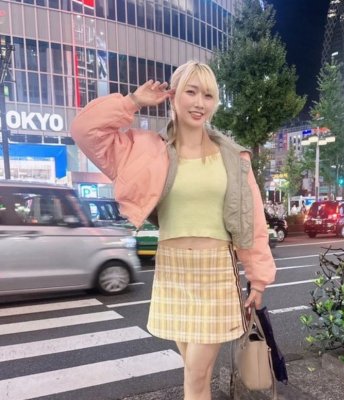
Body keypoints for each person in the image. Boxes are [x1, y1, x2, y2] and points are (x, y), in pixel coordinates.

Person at [71, 60, 276, 400]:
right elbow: (84, 130)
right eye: (191, 92)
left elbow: (252, 220)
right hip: (172, 269)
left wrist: (258, 278)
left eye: (208, 95)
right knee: (196, 376)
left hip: (216, 271)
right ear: (173, 95)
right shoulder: (147, 149)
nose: (199, 103)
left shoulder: (233, 157)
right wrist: (133, 101)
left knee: (196, 375)